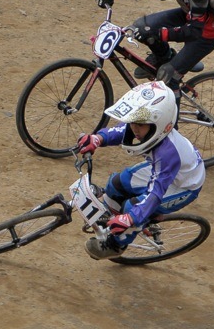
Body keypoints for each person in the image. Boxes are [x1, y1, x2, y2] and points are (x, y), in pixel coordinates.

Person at [75, 80, 205, 260]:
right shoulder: (150, 129)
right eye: (133, 122)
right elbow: (121, 131)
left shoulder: (167, 153)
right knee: (117, 183)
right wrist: (98, 139)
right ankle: (111, 222)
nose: (134, 129)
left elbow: (155, 192)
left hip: (183, 186)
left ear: (158, 123)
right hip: (168, 171)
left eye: (140, 125)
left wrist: (131, 218)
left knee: (133, 207)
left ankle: (116, 244)